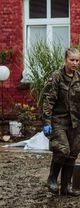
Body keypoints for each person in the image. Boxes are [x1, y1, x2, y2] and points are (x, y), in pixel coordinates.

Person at [42, 47, 80, 196]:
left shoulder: (78, 78)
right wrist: (47, 122)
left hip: (75, 123)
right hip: (58, 120)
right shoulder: (57, 76)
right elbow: (48, 100)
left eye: (77, 60)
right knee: (63, 150)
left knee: (73, 153)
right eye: (72, 60)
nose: (74, 63)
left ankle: (66, 186)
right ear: (65, 60)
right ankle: (52, 179)